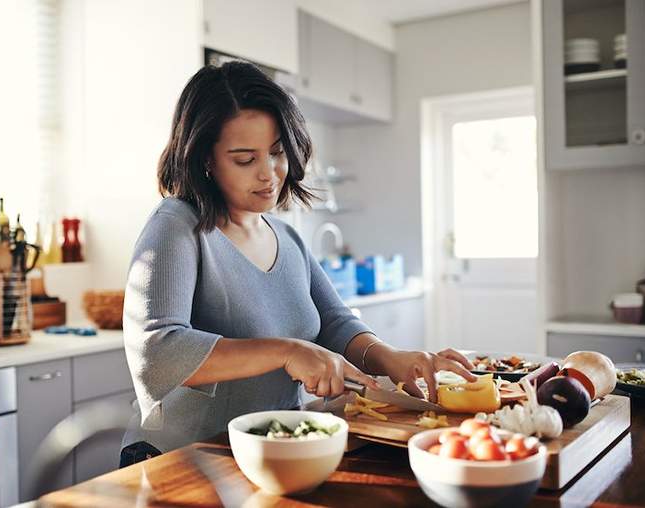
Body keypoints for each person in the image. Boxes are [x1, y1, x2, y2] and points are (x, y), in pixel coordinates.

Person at [120, 61, 475, 464]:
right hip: (181, 458)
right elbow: (157, 350)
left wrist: (390, 358)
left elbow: (335, 323)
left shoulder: (284, 236)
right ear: (204, 158)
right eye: (244, 159)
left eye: (276, 153)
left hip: (267, 452)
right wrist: (287, 351)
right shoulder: (175, 226)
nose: (269, 174)